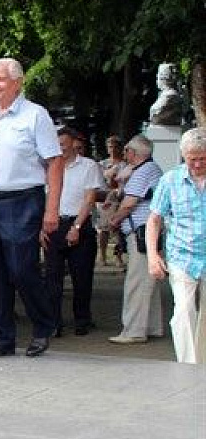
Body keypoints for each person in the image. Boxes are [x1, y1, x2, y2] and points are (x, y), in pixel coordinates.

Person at [0, 57, 62, 359]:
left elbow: (54, 162)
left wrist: (51, 210)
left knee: (21, 268)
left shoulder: (35, 115)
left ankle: (43, 326)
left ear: (18, 82)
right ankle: (2, 336)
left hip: (23, 200)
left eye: (1, 79)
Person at [146, 128, 206, 364]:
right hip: (182, 256)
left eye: (203, 158)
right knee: (183, 311)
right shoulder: (170, 180)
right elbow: (154, 219)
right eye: (193, 159)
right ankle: (189, 364)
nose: (198, 164)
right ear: (184, 156)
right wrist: (153, 256)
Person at [44, 126, 104, 336]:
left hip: (79, 223)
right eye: (57, 144)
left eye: (63, 144)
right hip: (53, 225)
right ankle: (53, 323)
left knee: (82, 276)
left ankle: (82, 320)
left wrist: (76, 226)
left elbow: (89, 199)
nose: (60, 148)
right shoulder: (47, 167)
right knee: (52, 277)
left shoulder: (88, 166)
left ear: (72, 144)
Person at [107, 134, 166, 344]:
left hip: (140, 233)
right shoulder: (151, 169)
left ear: (134, 152)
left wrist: (113, 221)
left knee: (137, 282)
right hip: (147, 231)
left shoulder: (143, 172)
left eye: (126, 151)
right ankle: (152, 326)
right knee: (149, 281)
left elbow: (129, 203)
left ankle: (133, 330)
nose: (124, 155)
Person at [98, 136, 127, 267]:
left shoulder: (125, 164)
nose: (113, 149)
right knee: (104, 228)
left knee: (119, 229)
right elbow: (100, 180)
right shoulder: (102, 164)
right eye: (110, 147)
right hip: (106, 199)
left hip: (121, 198)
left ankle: (118, 256)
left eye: (115, 146)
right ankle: (102, 255)